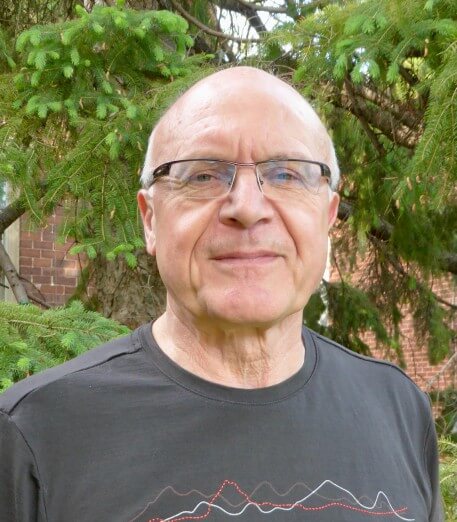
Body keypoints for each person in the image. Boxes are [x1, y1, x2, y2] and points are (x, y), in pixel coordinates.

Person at [0, 67, 443, 521]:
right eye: (203, 176)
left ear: (328, 216)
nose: (247, 209)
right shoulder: (34, 436)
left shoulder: (398, 410)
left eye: (287, 175)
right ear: (150, 219)